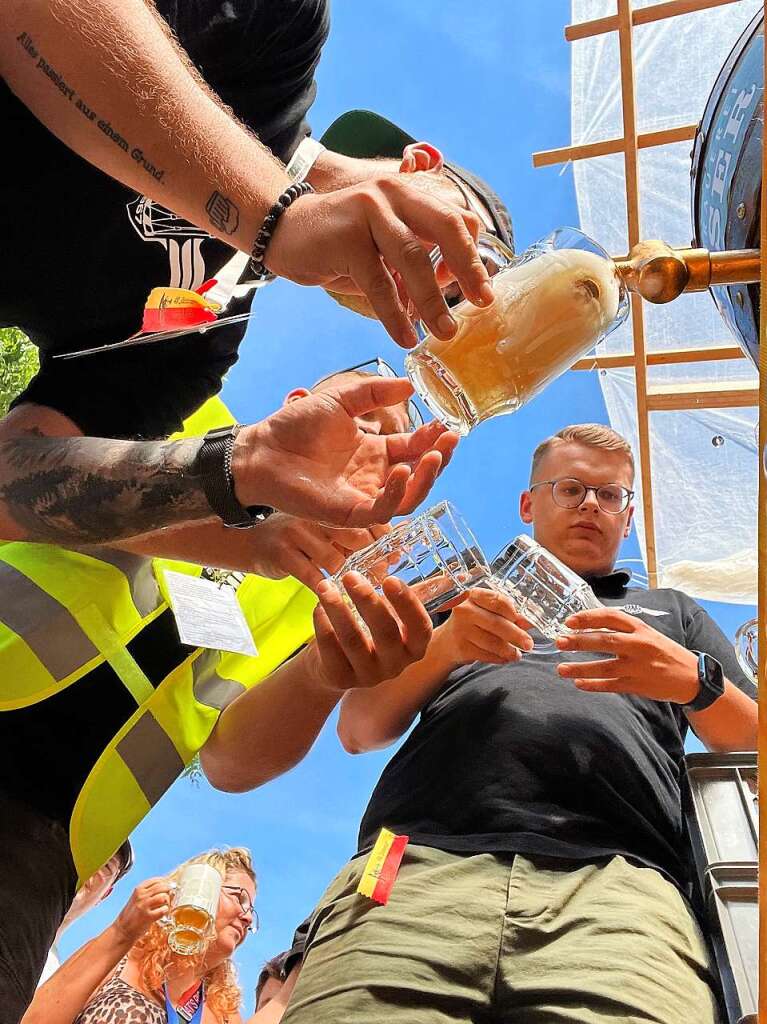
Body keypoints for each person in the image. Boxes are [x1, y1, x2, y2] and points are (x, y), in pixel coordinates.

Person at [272, 423, 758, 1024]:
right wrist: (449, 644)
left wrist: (694, 680)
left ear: (628, 518)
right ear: (528, 503)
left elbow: (754, 741)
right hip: (411, 869)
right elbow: (359, 730)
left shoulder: (673, 613)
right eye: (572, 488)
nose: (591, 506)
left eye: (611, 496)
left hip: (623, 891)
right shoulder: (461, 590)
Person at [0, 366, 436, 1022]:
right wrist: (234, 522)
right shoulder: (193, 420)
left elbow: (230, 763)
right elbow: (16, 485)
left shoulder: (321, 594)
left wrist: (327, 671)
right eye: (368, 421)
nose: (375, 448)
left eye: (395, 451)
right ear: (302, 403)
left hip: (52, 840)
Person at [0, 0, 510, 547]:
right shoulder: (275, 29)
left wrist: (237, 469)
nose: (435, 280)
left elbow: (10, 490)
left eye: (446, 306)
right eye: (463, 244)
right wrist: (276, 212)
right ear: (422, 163)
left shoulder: (199, 346)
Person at [23, 847, 258, 1024]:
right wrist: (123, 930)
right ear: (197, 889)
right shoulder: (121, 956)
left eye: (251, 910)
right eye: (240, 898)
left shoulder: (224, 1013)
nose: (247, 918)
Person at [38, 841, 134, 986]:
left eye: (106, 866)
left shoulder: (51, 981)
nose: (88, 868)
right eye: (86, 854)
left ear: (105, 894)